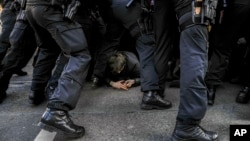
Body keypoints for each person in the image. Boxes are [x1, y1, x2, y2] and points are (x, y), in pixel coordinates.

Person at [25, 0, 91, 138]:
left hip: (32, 6)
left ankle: (36, 92)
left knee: (48, 49)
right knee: (80, 54)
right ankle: (57, 111)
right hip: (52, 7)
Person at [170, 0, 218, 140]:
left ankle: (188, 125)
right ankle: (187, 127)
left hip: (193, 13)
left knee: (195, 65)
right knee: (195, 67)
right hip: (196, 12)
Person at [205, 0, 250, 105]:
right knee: (227, 43)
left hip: (228, 5)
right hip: (242, 5)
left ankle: (211, 87)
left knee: (221, 45)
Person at [0, 1, 37, 104]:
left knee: (27, 48)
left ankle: (16, 68)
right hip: (18, 10)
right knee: (14, 48)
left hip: (25, 10)